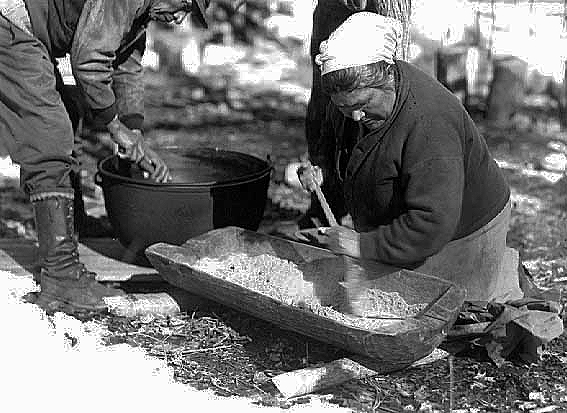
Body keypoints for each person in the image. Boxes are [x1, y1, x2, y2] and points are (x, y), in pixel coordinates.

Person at [299, 12, 525, 302]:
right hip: (409, 221)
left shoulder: (429, 124)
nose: (355, 116)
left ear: (387, 78)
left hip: (460, 231)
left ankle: (500, 276)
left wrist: (363, 246)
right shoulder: (350, 95)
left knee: (450, 311)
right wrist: (321, 169)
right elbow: (336, 144)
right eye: (344, 107)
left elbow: (431, 224)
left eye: (363, 105)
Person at [0, 0, 209, 312]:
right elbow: (90, 62)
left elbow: (127, 64)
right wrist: (115, 127)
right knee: (49, 135)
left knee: (65, 117)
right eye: (184, 5)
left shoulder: (140, 13)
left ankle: (70, 231)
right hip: (11, 24)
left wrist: (133, 129)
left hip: (32, 33)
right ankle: (61, 277)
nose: (179, 20)